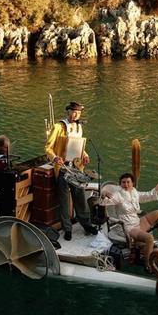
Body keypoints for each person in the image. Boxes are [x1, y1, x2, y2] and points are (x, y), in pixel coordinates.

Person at [44, 101, 96, 240]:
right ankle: (67, 229)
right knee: (64, 200)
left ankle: (86, 224)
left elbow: (79, 145)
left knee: (79, 196)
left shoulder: (79, 127)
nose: (76, 115)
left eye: (78, 113)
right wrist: (55, 158)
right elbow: (48, 147)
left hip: (76, 167)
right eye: (73, 112)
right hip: (62, 167)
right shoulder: (58, 127)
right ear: (68, 112)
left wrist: (84, 154)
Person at [98, 171, 158, 271]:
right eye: (123, 182)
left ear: (132, 183)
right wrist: (103, 194)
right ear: (120, 184)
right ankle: (148, 265)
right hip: (128, 227)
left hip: (137, 222)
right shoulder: (118, 195)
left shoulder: (134, 193)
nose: (126, 184)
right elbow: (104, 203)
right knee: (149, 238)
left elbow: (151, 194)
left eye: (128, 182)